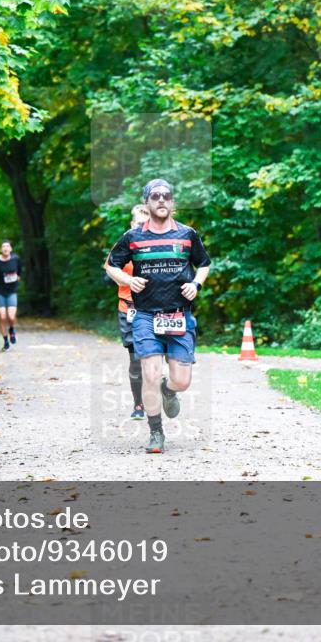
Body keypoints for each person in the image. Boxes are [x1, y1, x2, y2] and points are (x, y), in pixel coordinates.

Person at [105, 179, 211, 453]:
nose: (162, 200)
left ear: (172, 202)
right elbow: (111, 265)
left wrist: (196, 284)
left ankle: (169, 388)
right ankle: (156, 433)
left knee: (182, 381)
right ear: (147, 202)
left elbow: (205, 264)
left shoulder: (187, 234)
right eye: (155, 196)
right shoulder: (133, 237)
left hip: (179, 315)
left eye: (167, 196)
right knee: (149, 374)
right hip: (145, 316)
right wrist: (128, 280)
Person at [111, 204, 150, 421]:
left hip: (155, 309)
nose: (142, 227)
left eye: (146, 223)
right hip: (129, 307)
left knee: (155, 356)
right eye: (138, 223)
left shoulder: (158, 243)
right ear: (131, 224)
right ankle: (139, 404)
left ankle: (165, 387)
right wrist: (126, 279)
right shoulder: (123, 245)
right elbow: (110, 270)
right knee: (136, 359)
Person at [0, 240, 22, 351]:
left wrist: (17, 277)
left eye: (7, 246)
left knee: (11, 317)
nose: (5, 248)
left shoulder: (15, 259)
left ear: (11, 249)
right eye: (3, 246)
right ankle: (5, 341)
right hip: (0, 292)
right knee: (2, 317)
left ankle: (12, 329)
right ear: (0, 250)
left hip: (12, 291)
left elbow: (20, 271)